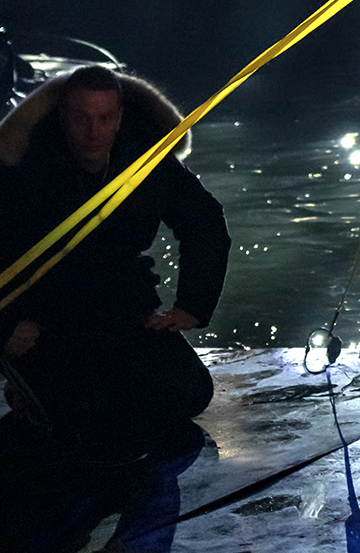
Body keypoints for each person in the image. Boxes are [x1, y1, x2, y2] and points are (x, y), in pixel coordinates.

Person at [0, 64, 229, 460]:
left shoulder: (144, 159)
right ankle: (26, 386)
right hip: (43, 313)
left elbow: (204, 221)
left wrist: (193, 304)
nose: (93, 131)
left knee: (188, 392)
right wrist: (4, 328)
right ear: (63, 117)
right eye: (81, 118)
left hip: (120, 301)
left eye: (104, 118)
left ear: (120, 118)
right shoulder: (25, 167)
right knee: (85, 421)